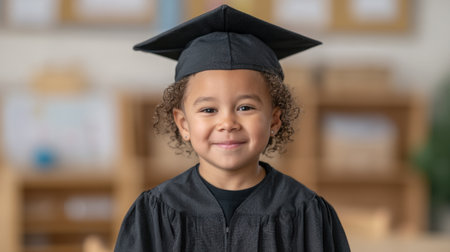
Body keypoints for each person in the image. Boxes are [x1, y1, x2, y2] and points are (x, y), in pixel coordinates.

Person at [114, 5, 350, 252]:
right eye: (209, 110)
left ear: (274, 120)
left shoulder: (306, 212)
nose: (227, 123)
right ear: (183, 124)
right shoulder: (155, 212)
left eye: (245, 107)